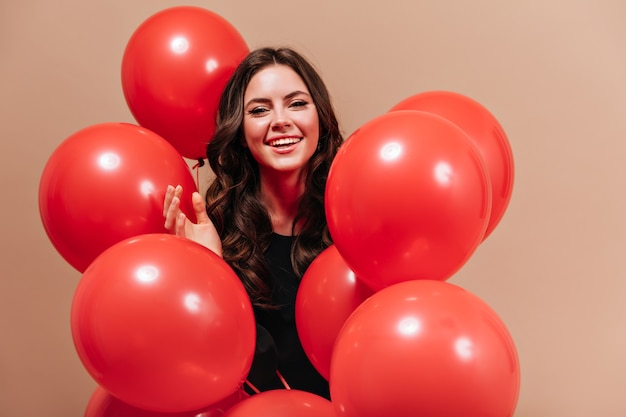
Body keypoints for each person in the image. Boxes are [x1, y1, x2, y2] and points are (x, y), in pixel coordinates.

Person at [163, 47, 344, 399]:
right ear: (241, 132)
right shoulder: (213, 230)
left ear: (320, 119)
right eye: (259, 110)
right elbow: (219, 367)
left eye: (297, 103)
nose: (281, 120)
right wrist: (209, 270)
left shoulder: (354, 224)